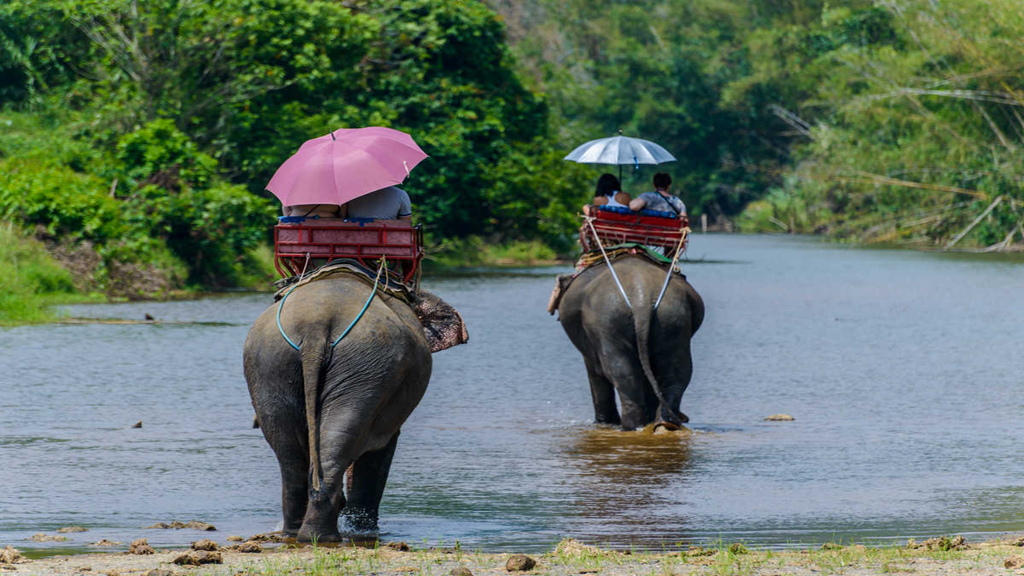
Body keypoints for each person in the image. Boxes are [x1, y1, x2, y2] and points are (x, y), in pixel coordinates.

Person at [346, 186, 412, 220]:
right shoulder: (400, 194)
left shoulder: (349, 195)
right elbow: (405, 223)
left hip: (354, 241)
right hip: (389, 242)